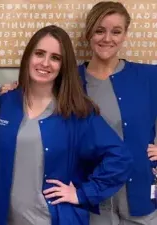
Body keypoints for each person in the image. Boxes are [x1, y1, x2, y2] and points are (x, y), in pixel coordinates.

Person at [0, 25, 133, 225]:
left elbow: (121, 159)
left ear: (63, 65)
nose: (45, 63)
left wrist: (82, 193)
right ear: (28, 57)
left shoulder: (76, 111)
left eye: (55, 58)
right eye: (39, 53)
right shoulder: (6, 102)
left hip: (52, 219)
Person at [78, 2, 157, 224]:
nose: (107, 38)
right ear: (88, 33)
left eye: (116, 31)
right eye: (99, 30)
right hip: (92, 200)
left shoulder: (149, 76)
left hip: (141, 198)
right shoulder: (70, 81)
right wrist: (12, 89)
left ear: (125, 35)